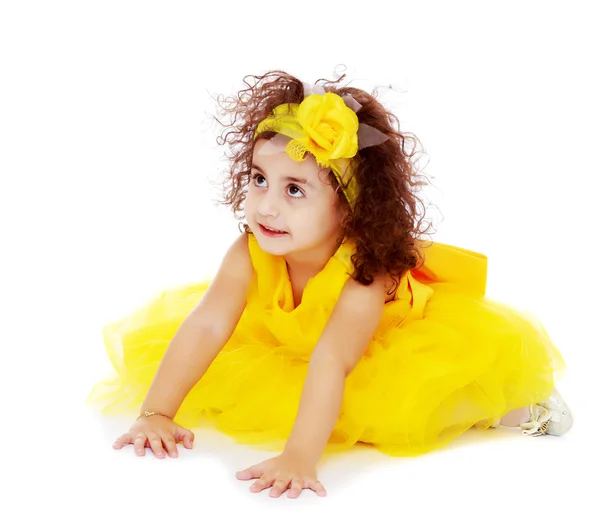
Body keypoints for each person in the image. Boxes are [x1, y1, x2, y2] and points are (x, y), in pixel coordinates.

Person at [87, 69, 572, 498]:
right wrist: (157, 412)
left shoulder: (365, 273)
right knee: (226, 372)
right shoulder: (249, 252)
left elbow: (334, 359)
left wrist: (299, 456)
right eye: (259, 179)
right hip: (302, 348)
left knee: (385, 411)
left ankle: (504, 407)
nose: (267, 207)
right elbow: (209, 325)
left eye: (294, 189)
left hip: (380, 349)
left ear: (350, 206)